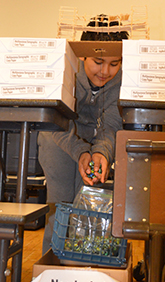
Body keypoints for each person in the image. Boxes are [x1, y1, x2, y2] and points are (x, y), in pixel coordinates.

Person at [38, 14, 129, 254]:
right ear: (82, 55)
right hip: (58, 138)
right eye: (98, 61)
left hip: (97, 138)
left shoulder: (123, 80)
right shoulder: (65, 69)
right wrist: (81, 152)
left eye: (114, 63)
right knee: (59, 205)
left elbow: (111, 125)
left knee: (91, 205)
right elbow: (56, 124)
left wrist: (101, 153)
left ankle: (86, 265)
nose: (105, 71)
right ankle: (52, 263)